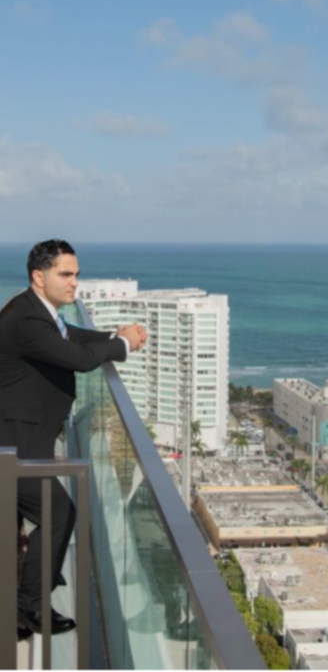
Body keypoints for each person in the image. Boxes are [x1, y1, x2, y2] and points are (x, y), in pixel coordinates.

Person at [0, 239, 147, 638]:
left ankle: (17, 611)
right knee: (57, 513)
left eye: (76, 274)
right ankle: (29, 607)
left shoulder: (35, 311)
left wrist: (112, 334)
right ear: (38, 276)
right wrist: (123, 345)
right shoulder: (27, 320)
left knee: (21, 522)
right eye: (65, 274)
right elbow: (79, 360)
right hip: (12, 442)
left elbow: (72, 337)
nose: (74, 283)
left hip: (23, 436)